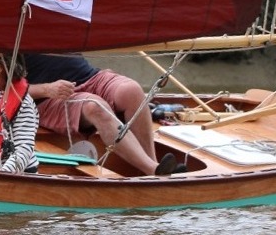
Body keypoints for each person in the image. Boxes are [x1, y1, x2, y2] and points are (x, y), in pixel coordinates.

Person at [23, 53, 184, 176]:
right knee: (96, 106)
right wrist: (47, 89)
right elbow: (2, 90)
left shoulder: (58, 11)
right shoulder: (7, 26)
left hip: (89, 76)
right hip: (48, 97)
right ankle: (153, 170)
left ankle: (156, 165)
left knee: (132, 91)